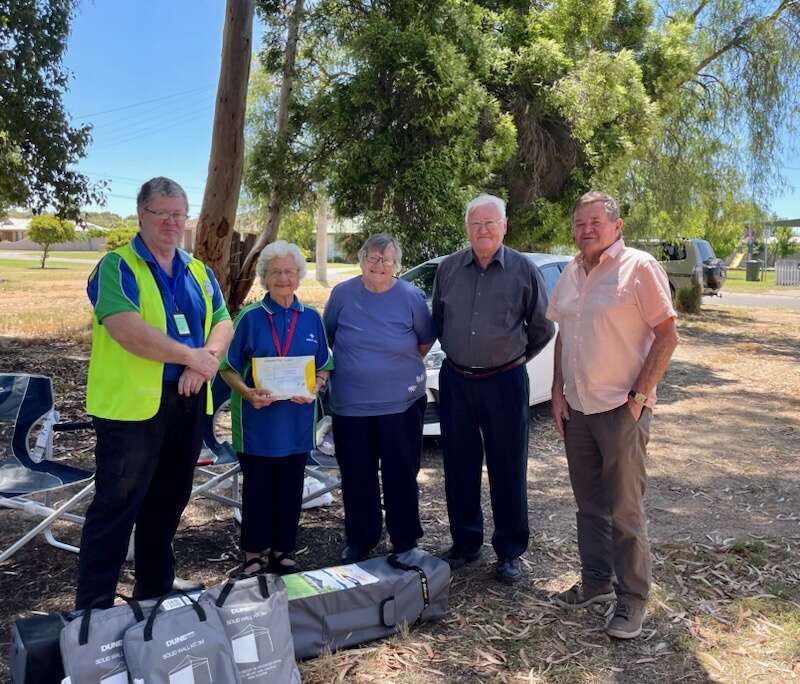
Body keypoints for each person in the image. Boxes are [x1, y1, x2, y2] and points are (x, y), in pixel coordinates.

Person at [77, 177, 233, 609]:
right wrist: (192, 356)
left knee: (168, 504)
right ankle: (93, 612)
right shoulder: (116, 267)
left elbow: (223, 321)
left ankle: (154, 594)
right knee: (116, 509)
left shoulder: (198, 270)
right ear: (141, 215)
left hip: (187, 404)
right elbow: (128, 330)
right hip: (132, 411)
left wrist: (206, 360)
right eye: (160, 213)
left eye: (177, 214)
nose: (170, 222)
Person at [548, 191, 679, 639]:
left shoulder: (639, 268)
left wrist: (641, 396)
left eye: (596, 222)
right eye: (580, 222)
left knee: (625, 510)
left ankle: (632, 599)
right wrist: (557, 392)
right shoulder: (569, 272)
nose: (586, 229)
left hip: (622, 409)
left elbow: (668, 334)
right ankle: (597, 583)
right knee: (589, 506)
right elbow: (565, 334)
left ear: (616, 225)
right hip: (579, 411)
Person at [432, 194, 554, 584]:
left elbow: (542, 328)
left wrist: (509, 359)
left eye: (490, 223)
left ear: (504, 226)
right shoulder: (448, 269)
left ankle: (510, 551)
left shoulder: (523, 270)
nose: (482, 231)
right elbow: (438, 319)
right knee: (459, 466)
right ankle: (466, 543)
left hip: (505, 382)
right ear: (466, 228)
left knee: (508, 467)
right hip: (457, 381)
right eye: (475, 224)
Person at [219, 240, 331, 574]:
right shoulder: (251, 318)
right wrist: (249, 392)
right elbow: (227, 367)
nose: (283, 278)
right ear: (265, 278)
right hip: (258, 422)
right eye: (275, 272)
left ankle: (283, 551)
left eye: (289, 271)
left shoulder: (312, 317)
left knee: (290, 489)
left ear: (299, 275)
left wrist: (315, 387)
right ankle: (253, 554)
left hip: (297, 421)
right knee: (258, 490)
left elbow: (325, 365)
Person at [323, 234, 435, 563]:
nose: (379, 265)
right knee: (357, 474)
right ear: (361, 260)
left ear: (396, 265)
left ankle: (404, 539)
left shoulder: (411, 296)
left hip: (400, 405)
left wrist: (392, 366)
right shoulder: (342, 294)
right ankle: (361, 538)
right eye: (372, 258)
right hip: (351, 405)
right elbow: (329, 335)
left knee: (401, 472)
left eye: (386, 260)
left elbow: (425, 340)